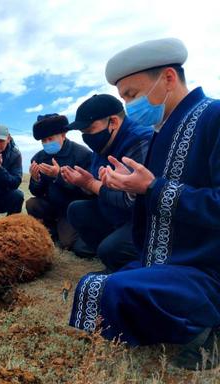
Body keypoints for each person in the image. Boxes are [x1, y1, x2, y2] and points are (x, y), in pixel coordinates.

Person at [69, 38, 220, 370]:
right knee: (94, 286)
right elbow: (153, 200)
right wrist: (129, 187)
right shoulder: (160, 130)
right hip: (162, 259)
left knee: (115, 290)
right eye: (124, 98)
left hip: (203, 265)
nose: (129, 106)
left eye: (132, 95)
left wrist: (153, 188)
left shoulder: (214, 116)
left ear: (167, 78)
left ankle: (206, 322)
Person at [62, 94, 152, 271]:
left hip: (143, 221)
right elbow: (98, 184)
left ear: (114, 122)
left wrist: (91, 184)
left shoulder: (140, 141)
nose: (86, 137)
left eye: (90, 129)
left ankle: (128, 265)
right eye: (83, 133)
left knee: (110, 250)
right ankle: (111, 253)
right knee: (76, 209)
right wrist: (83, 183)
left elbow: (134, 201)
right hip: (115, 215)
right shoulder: (103, 144)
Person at [26, 114, 92, 249]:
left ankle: (67, 229)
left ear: (63, 135)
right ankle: (52, 228)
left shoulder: (82, 154)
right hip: (51, 205)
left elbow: (88, 192)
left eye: (50, 138)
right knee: (32, 203)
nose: (47, 143)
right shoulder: (38, 157)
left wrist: (58, 175)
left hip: (72, 207)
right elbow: (35, 192)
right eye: (43, 140)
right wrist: (36, 179)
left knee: (67, 243)